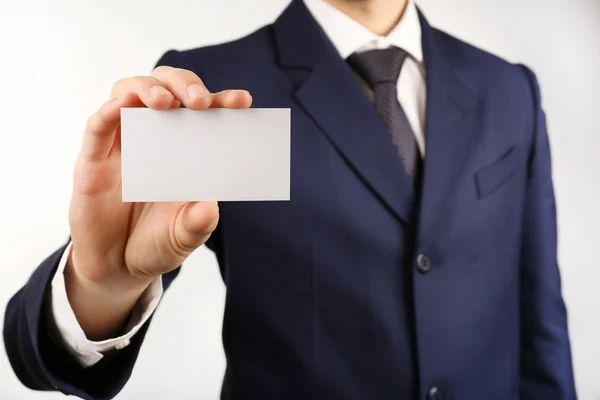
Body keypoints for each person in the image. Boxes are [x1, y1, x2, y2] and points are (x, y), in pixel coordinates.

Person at [4, 0, 577, 398]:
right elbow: (37, 354)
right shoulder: (221, 86)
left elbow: (540, 329)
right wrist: (101, 283)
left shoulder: (508, 91)